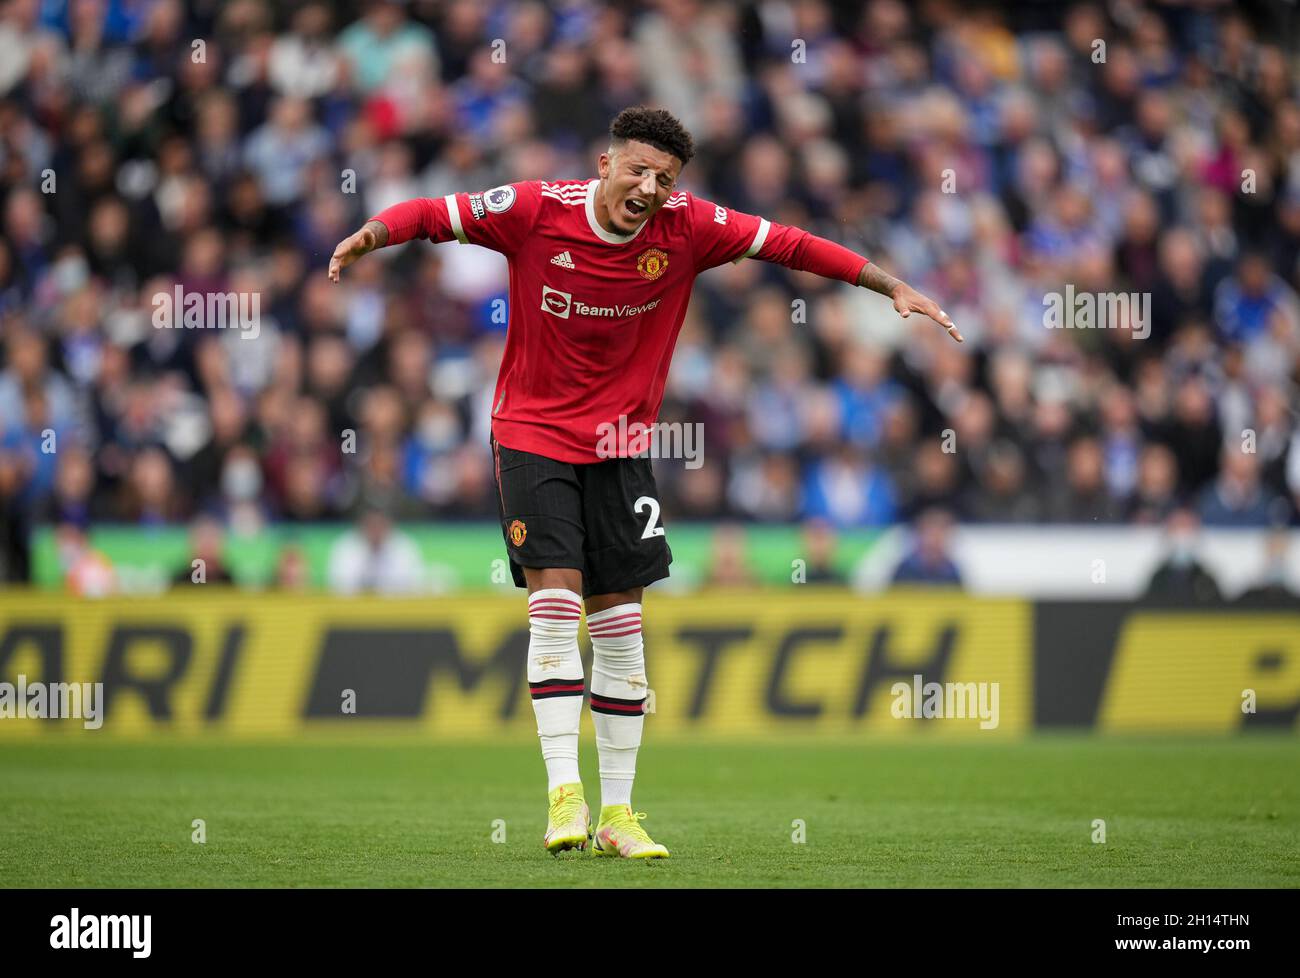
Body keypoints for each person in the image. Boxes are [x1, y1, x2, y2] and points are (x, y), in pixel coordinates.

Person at [328, 106, 958, 859]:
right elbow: (434, 213)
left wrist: (889, 286)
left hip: (622, 446)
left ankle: (618, 815)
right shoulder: (534, 211)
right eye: (638, 170)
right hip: (531, 435)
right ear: (605, 165)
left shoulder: (690, 226)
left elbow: (789, 244)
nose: (650, 187)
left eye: (664, 179)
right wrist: (371, 235)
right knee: (557, 606)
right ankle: (565, 793)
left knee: (622, 629)